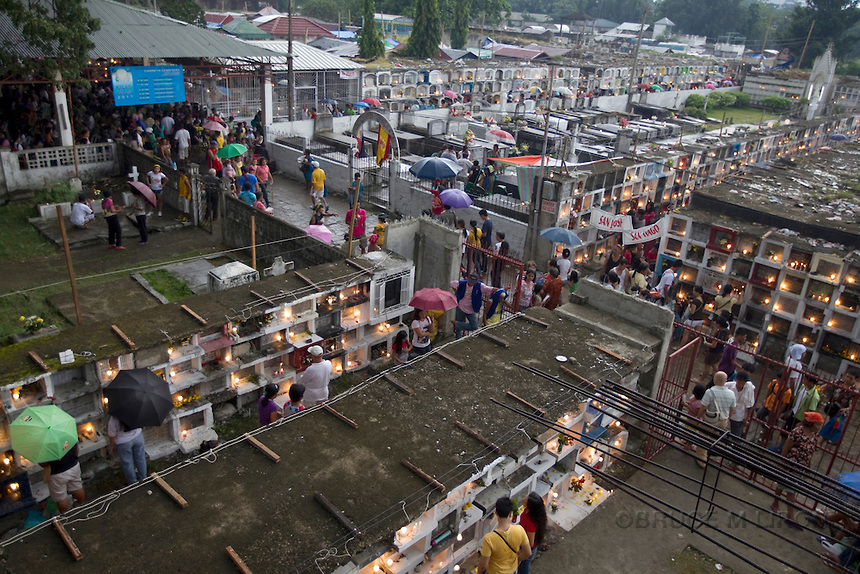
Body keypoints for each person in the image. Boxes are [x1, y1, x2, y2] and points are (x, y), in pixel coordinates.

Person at [771, 411, 824, 528]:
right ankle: (790, 517)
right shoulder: (797, 432)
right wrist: (783, 461)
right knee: (791, 489)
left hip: (801, 466)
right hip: (791, 464)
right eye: (818, 425)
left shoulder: (814, 436)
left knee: (782, 485)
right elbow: (786, 447)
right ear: (811, 424)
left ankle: (775, 503)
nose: (820, 427)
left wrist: (808, 467)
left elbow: (810, 452)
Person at [478, 496, 531, 574]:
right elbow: (528, 553)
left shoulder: (489, 538)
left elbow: (484, 565)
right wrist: (517, 559)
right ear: (510, 514)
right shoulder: (520, 530)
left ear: (496, 512)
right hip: (512, 571)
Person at [696, 371, 736, 467]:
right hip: (723, 421)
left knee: (703, 437)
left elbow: (703, 407)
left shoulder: (710, 392)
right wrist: (728, 419)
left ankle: (702, 460)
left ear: (715, 380)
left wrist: (698, 417)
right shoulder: (731, 394)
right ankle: (711, 454)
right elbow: (732, 409)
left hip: (710, 420)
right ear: (726, 381)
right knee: (714, 437)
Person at [40, 444, 85, 514]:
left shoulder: (45, 443)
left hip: (57, 473)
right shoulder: (66, 434)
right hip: (74, 466)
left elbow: (44, 464)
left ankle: (65, 516)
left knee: (60, 497)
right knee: (77, 486)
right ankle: (81, 505)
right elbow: (77, 450)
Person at [451, 272, 496, 338]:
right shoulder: (463, 283)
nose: (471, 284)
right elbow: (452, 284)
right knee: (458, 330)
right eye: (470, 282)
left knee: (474, 325)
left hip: (471, 309)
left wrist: (502, 290)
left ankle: (456, 324)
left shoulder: (480, 286)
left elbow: (490, 289)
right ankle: (458, 339)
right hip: (461, 307)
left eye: (473, 282)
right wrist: (457, 292)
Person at [107, 415, 147, 484]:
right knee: (141, 459)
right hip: (138, 436)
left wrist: (111, 446)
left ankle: (133, 482)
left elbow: (112, 435)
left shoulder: (114, 418)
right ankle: (143, 478)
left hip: (123, 442)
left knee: (127, 463)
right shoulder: (134, 409)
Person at [516, 492, 547, 574]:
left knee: (523, 569)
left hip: (527, 550)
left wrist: (521, 553)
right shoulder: (529, 512)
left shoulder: (531, 523)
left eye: (524, 500)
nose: (522, 499)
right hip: (526, 546)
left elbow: (530, 542)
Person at [697, 316, 729, 383]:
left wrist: (706, 343)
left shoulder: (718, 333)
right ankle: (722, 378)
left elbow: (713, 345)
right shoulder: (726, 331)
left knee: (707, 366)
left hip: (713, 352)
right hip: (720, 351)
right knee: (715, 365)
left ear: (718, 324)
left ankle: (700, 379)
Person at [725, 371, 755, 437]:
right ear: (736, 379)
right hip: (725, 412)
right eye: (739, 383)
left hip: (738, 416)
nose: (740, 385)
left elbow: (750, 405)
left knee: (736, 435)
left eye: (742, 384)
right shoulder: (728, 385)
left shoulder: (749, 390)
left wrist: (747, 418)